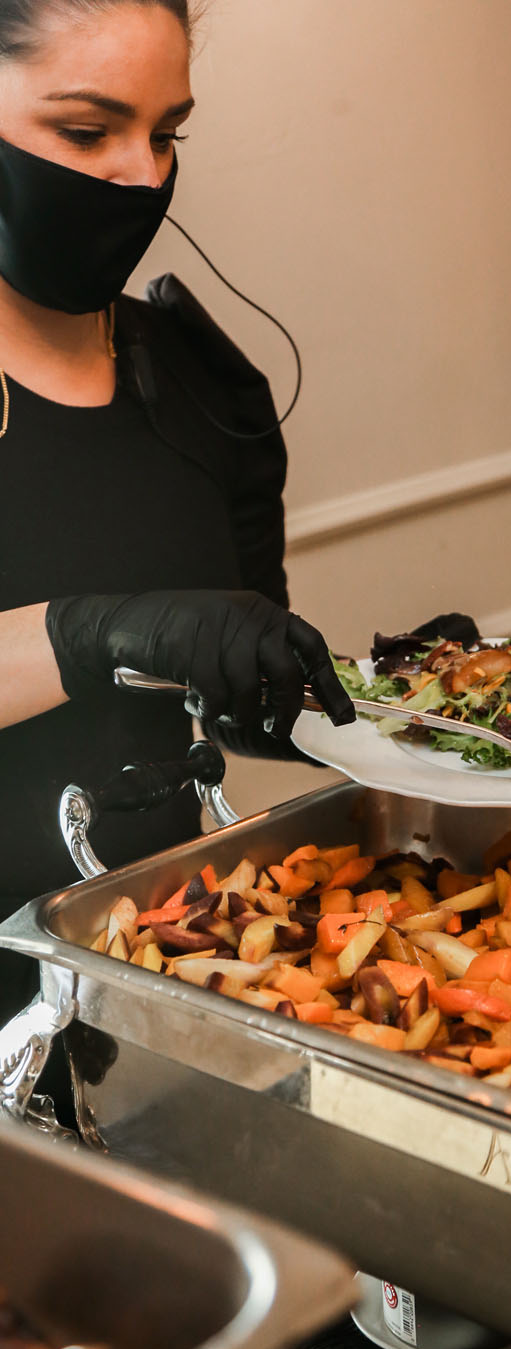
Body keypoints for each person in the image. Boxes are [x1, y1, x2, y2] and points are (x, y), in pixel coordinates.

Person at [0, 0, 355, 1046]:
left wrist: (400, 699)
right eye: (84, 131)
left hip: (156, 983)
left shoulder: (202, 381)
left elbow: (238, 702)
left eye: (165, 134)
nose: (140, 175)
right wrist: (97, 631)